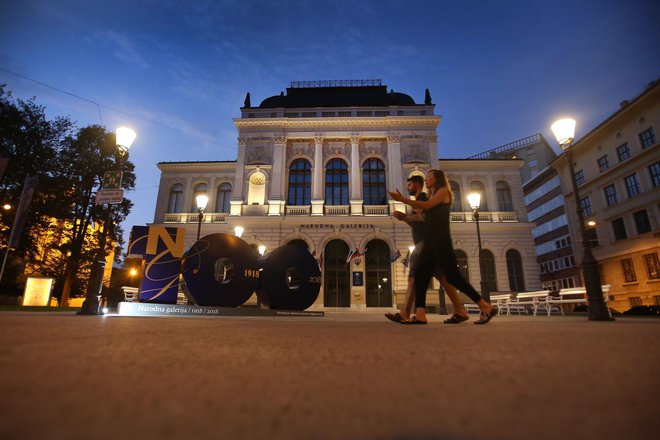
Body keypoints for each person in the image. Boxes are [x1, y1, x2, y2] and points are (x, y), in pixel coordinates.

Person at [389, 169, 496, 324]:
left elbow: (426, 206)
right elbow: (420, 217)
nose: (427, 180)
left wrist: (403, 200)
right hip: (431, 242)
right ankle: (420, 314)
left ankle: (484, 306)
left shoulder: (443, 192)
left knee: (454, 278)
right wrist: (405, 217)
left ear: (437, 179)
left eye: (429, 177)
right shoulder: (432, 195)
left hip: (441, 241)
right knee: (420, 276)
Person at [385, 175, 469, 324]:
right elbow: (417, 224)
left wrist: (405, 216)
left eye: (409, 184)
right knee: (439, 278)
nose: (407, 187)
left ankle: (408, 314)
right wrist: (404, 218)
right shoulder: (418, 203)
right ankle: (460, 310)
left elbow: (424, 218)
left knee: (417, 278)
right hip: (425, 245)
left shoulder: (423, 200)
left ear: (417, 185)